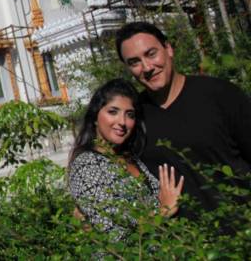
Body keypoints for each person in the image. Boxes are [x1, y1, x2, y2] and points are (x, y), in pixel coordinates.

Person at [115, 21, 251, 220]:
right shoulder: (134, 117)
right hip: (187, 244)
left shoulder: (219, 94)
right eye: (134, 62)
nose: (147, 67)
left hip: (242, 236)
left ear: (168, 49)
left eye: (151, 54)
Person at [68, 79, 183, 239]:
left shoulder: (131, 157)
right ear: (95, 117)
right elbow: (113, 232)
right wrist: (163, 211)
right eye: (112, 112)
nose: (122, 122)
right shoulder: (86, 165)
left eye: (129, 115)